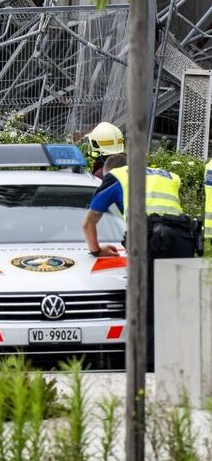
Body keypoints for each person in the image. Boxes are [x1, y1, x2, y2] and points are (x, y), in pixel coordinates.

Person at [82, 153, 198, 367]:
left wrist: (97, 251)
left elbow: (89, 223)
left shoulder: (116, 176)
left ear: (109, 171)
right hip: (183, 239)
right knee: (178, 303)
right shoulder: (167, 175)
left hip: (150, 239)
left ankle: (149, 367)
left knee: (146, 304)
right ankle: (182, 361)